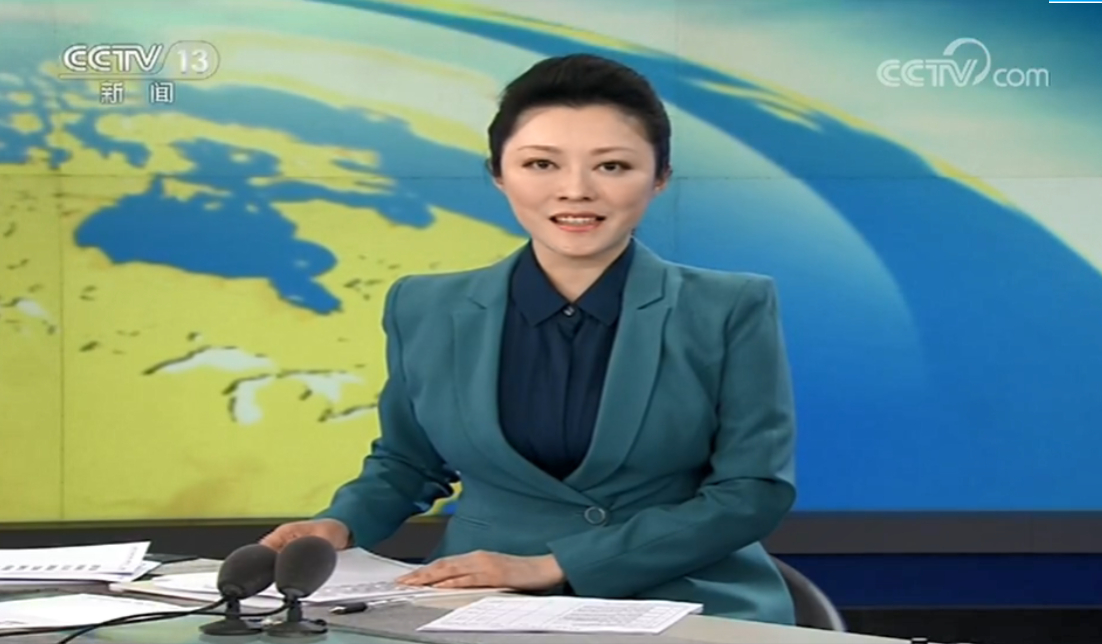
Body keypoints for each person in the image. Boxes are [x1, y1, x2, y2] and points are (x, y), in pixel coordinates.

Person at [261, 53, 798, 624]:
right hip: (478, 601)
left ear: (660, 177)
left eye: (612, 166)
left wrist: (556, 564)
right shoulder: (424, 307)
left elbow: (752, 491)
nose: (575, 191)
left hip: (683, 596)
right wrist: (341, 524)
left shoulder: (729, 307)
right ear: (498, 173)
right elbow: (408, 462)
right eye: (541, 164)